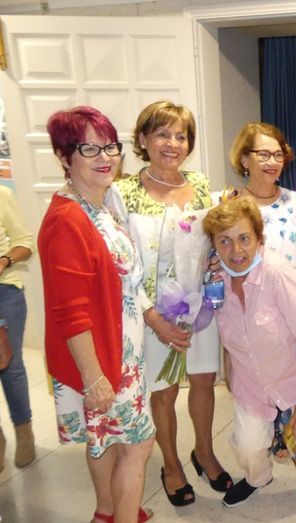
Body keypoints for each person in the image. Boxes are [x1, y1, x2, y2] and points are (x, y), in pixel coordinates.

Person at [108, 100, 230, 506]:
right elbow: (122, 263)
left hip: (199, 307)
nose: (173, 143)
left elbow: (208, 239)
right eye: (162, 134)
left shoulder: (199, 184)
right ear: (143, 139)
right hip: (153, 312)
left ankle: (204, 452)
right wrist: (152, 317)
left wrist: (214, 258)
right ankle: (172, 464)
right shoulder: (123, 191)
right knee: (163, 391)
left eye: (181, 136)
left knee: (204, 381)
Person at [39, 106, 156, 522]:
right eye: (89, 148)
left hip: (119, 349)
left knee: (104, 439)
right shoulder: (67, 219)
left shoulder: (98, 203)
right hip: (104, 358)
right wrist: (94, 378)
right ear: (64, 156)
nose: (104, 157)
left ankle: (107, 512)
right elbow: (71, 311)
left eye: (109, 146)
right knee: (138, 445)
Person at [202, 196, 296, 523]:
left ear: (258, 237)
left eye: (244, 238)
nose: (236, 250)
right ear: (214, 245)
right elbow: (229, 331)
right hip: (253, 379)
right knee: (247, 445)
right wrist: (231, 373)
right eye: (225, 241)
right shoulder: (217, 280)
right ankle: (257, 478)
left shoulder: (278, 274)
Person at [228, 122, 296, 463]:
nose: (272, 162)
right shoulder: (231, 205)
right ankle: (268, 441)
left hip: (294, 314)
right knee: (260, 383)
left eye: (278, 154)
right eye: (263, 154)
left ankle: (293, 441)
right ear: (244, 159)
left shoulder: (295, 201)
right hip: (255, 316)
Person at [0, 185, 35, 473]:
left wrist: (5, 260)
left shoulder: (2, 194)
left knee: (10, 366)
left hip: (4, 291)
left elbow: (25, 242)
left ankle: (24, 431)